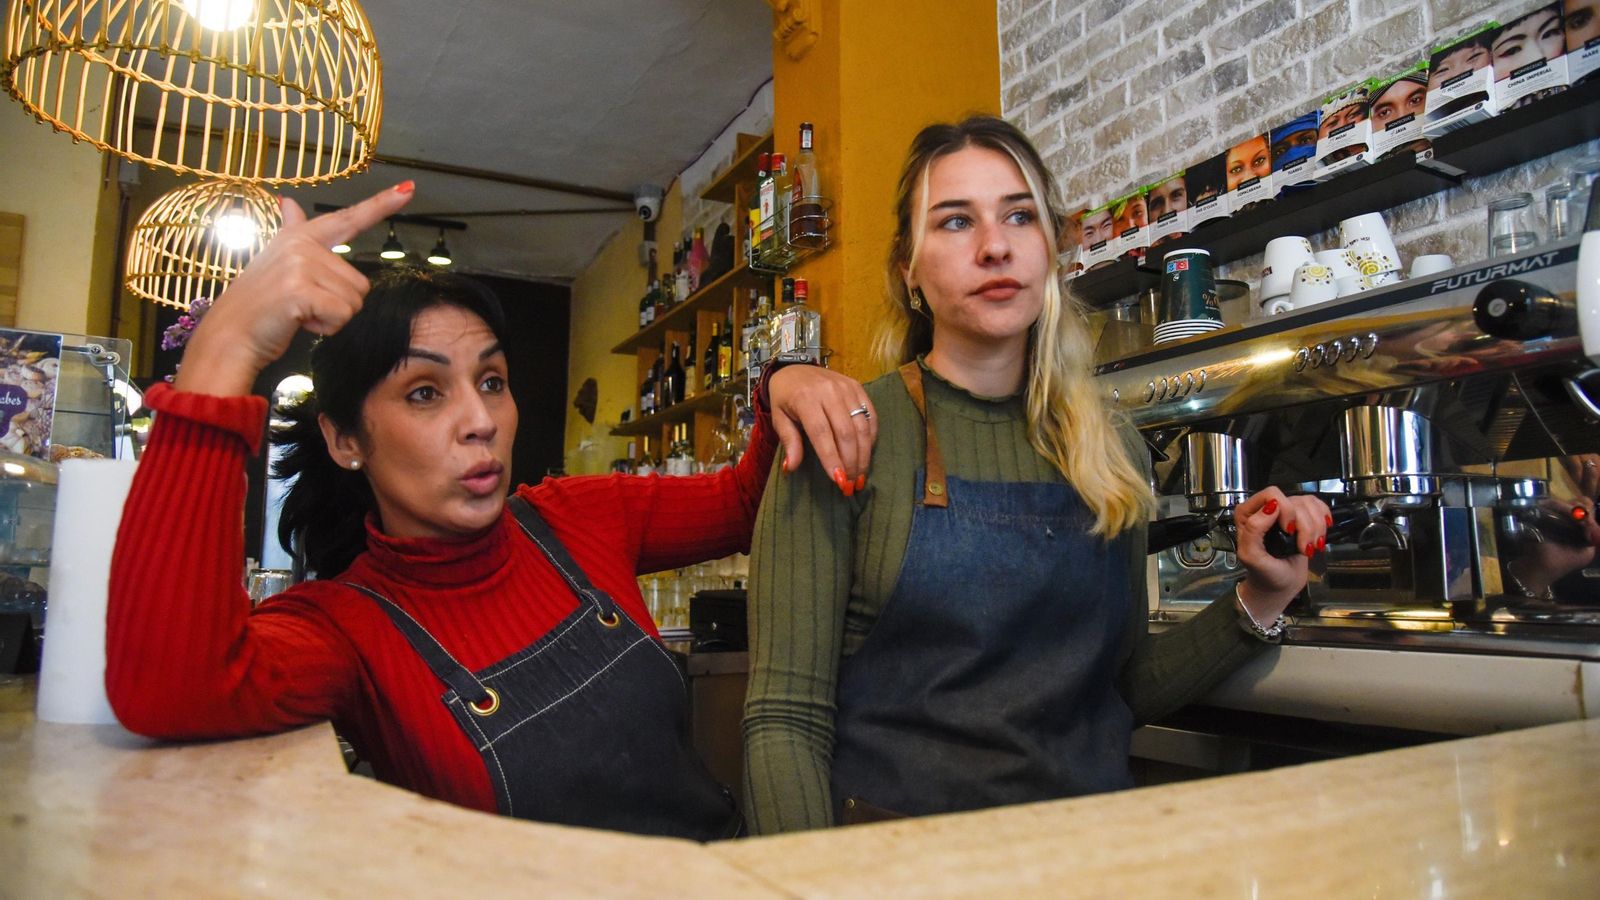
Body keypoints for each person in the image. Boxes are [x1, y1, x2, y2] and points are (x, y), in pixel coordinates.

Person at [105, 182, 877, 840]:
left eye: (492, 382)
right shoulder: (345, 629)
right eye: (424, 392)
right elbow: (171, 690)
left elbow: (743, 503)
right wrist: (222, 352)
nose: (479, 420)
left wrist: (786, 383)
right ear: (345, 440)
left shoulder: (574, 518)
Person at [740, 116, 1330, 834]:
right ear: (908, 269)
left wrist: (1261, 596)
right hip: (900, 863)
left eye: (1019, 216)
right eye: (956, 221)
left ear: (1051, 250)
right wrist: (812, 880)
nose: (995, 246)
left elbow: (1117, 692)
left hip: (1081, 856)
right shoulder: (848, 433)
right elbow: (785, 720)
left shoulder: (1109, 447)